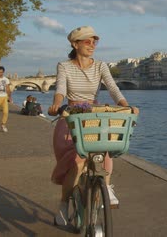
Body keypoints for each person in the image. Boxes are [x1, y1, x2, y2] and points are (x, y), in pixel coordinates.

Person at [47, 25, 138, 226]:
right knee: (77, 162)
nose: (92, 45)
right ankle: (63, 205)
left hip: (94, 116)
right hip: (71, 115)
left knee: (106, 147)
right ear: (75, 44)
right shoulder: (64, 66)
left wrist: (126, 106)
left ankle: (106, 185)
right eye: (87, 41)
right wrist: (56, 103)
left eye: (95, 41)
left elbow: (113, 88)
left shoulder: (101, 66)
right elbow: (61, 87)